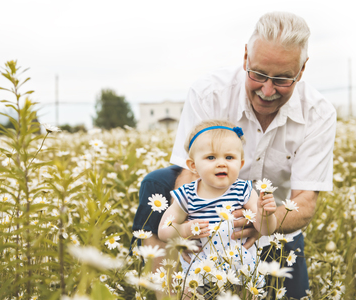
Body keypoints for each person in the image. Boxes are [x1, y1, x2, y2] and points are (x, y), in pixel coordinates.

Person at [132, 11, 336, 299]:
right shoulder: (209, 93)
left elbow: (305, 202)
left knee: (289, 294)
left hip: (274, 224)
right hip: (208, 222)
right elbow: (189, 174)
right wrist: (190, 236)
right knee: (156, 182)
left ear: (301, 71)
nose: (267, 90)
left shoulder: (319, 113)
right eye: (259, 74)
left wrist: (260, 223)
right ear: (245, 58)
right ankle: (161, 284)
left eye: (282, 80)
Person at [157, 119, 277, 279]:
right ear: (193, 166)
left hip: (239, 266)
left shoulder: (244, 191)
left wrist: (265, 215)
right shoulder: (186, 195)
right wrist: (184, 230)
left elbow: (266, 230)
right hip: (199, 268)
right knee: (187, 294)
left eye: (229, 157)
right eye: (211, 157)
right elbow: (163, 231)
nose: (221, 163)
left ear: (240, 164)